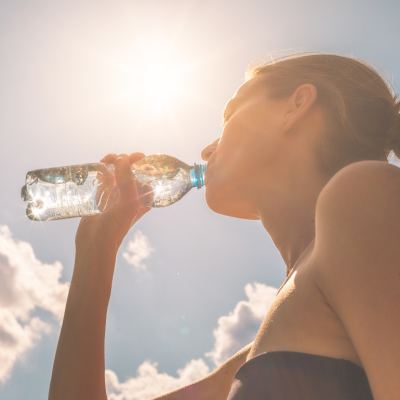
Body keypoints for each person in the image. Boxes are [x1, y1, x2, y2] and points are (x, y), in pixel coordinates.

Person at [48, 53, 400, 400]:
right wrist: (96, 250)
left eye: (229, 116)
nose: (205, 150)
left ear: (296, 106)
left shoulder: (364, 192)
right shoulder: (262, 354)